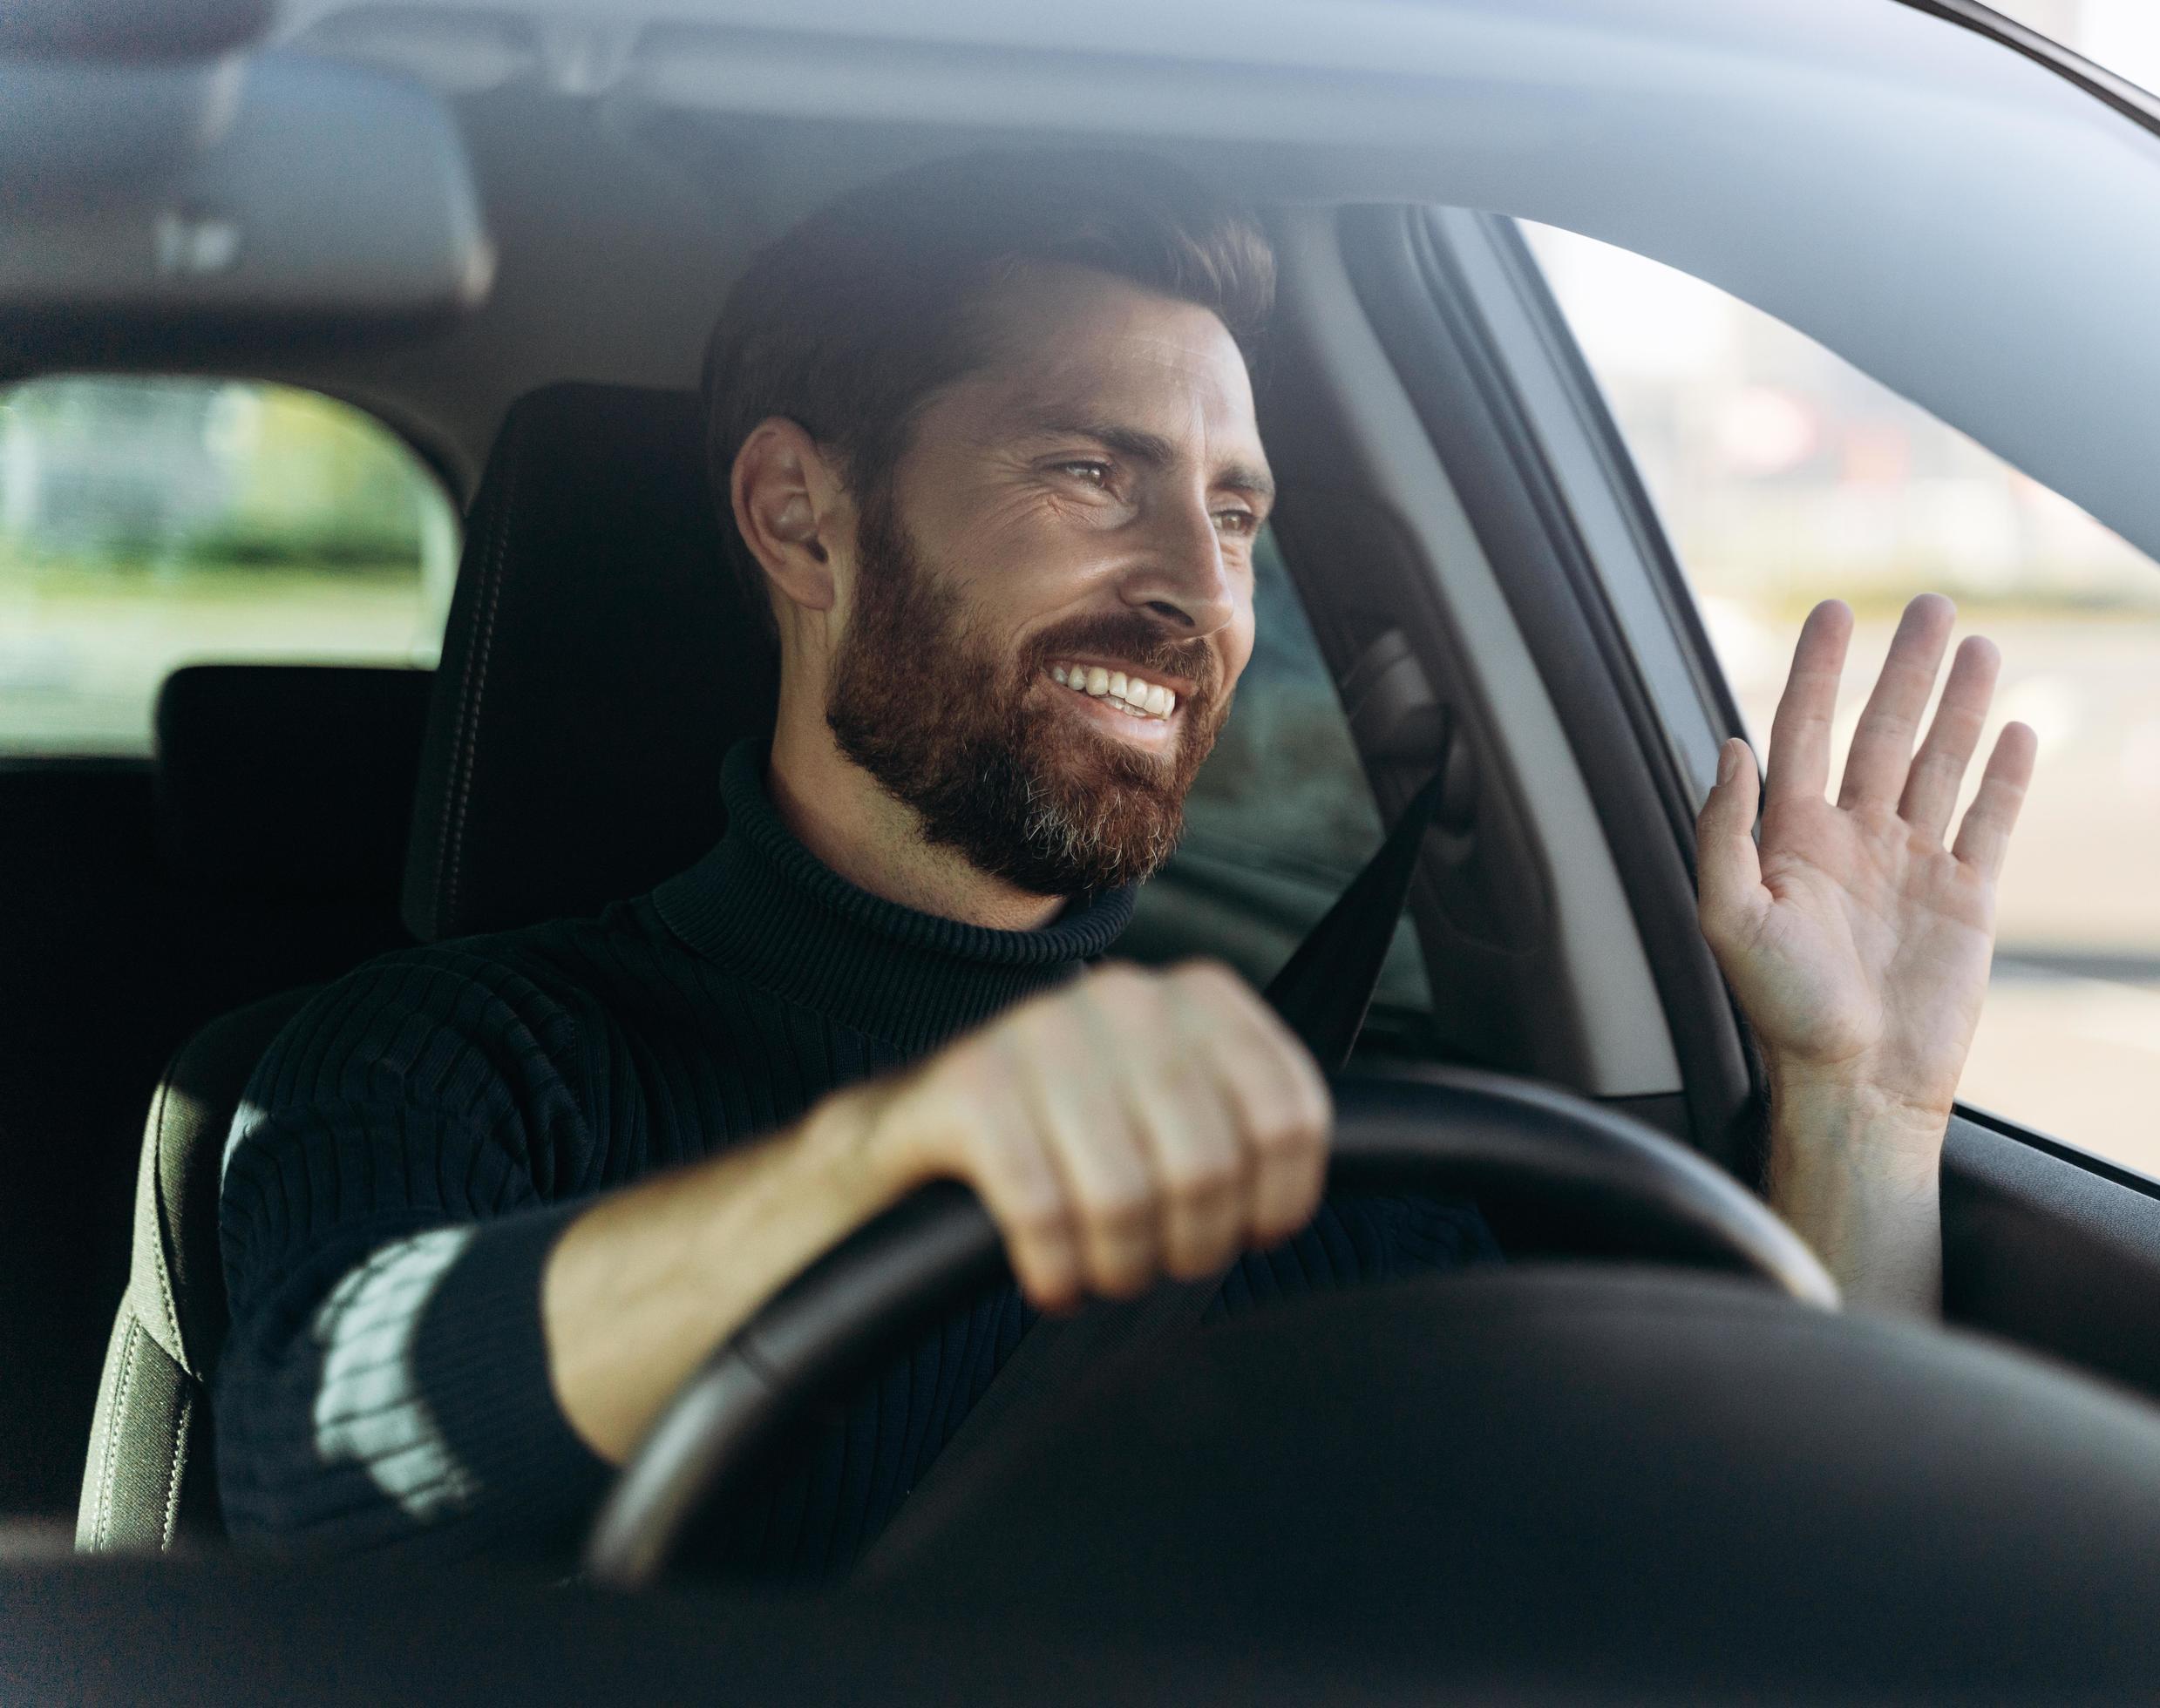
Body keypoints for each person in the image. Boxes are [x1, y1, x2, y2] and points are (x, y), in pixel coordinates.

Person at [214, 151, 2034, 1573]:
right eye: (1094, 472)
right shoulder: (444, 1059)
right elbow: (323, 1478)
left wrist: (1860, 1103)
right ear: (799, 515)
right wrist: (887, 1159)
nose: (1200, 588)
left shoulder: (1348, 1170)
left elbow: (1741, 1584)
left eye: (1235, 508)